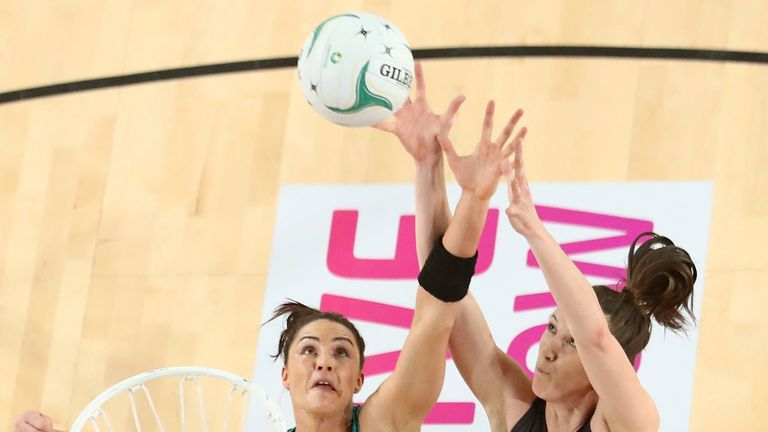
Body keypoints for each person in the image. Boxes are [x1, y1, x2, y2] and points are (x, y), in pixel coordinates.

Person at [391, 84, 697, 430]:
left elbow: (595, 336)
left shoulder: (628, 422)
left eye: (571, 343)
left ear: (607, 370)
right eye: (552, 327)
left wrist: (533, 230)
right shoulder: (512, 405)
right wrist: (428, 165)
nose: (548, 350)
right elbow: (440, 290)